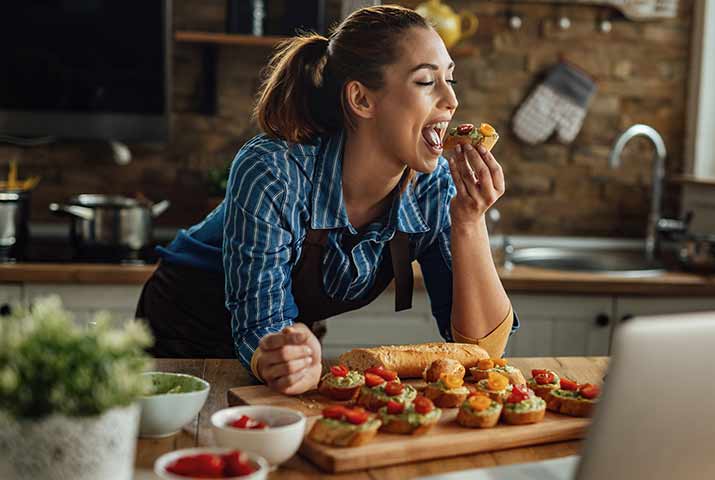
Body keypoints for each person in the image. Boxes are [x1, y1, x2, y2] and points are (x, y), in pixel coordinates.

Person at [136, 5, 519, 395]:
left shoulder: (434, 186)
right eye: (426, 81)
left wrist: (471, 222)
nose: (451, 100)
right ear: (362, 99)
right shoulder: (274, 170)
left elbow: (480, 353)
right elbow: (260, 323)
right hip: (183, 339)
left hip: (282, 342)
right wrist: (284, 356)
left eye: (450, 79)